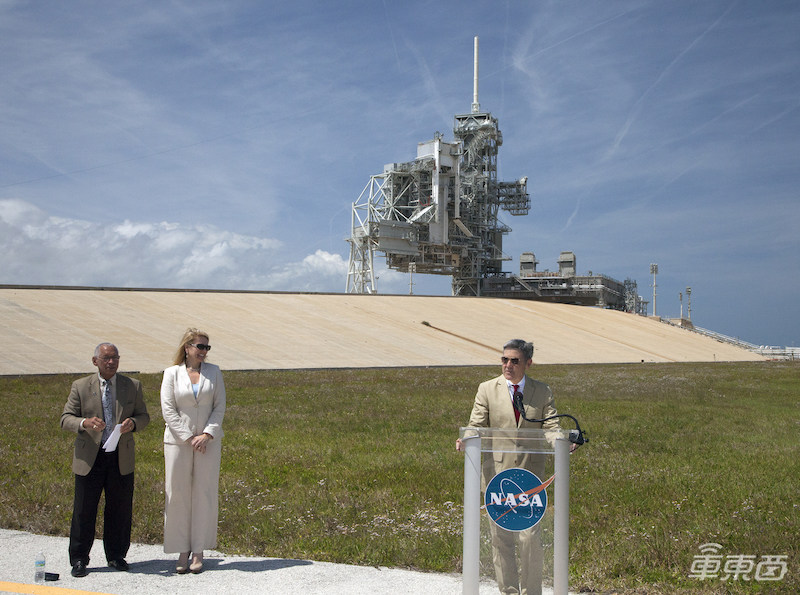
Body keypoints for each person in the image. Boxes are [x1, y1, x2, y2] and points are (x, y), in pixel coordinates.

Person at [456, 339, 565, 595]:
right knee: (501, 539)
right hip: (496, 478)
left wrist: (561, 442)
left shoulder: (542, 391)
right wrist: (468, 437)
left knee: (529, 538)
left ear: (528, 363)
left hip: (530, 480)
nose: (507, 365)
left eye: (514, 361)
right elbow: (477, 423)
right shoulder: (486, 389)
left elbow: (551, 427)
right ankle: (509, 591)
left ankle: (531, 592)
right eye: (504, 359)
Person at [61, 342, 150, 578]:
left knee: (120, 509)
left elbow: (144, 416)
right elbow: (65, 418)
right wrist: (85, 423)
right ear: (95, 361)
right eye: (106, 358)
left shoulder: (132, 386)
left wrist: (134, 423)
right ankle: (79, 559)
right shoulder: (80, 386)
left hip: (120, 457)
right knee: (84, 510)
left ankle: (116, 555)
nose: (111, 362)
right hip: (91, 456)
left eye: (115, 358)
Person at [161, 328, 226, 574]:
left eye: (207, 348)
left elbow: (219, 407)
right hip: (178, 443)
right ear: (187, 347)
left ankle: (199, 550)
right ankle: (181, 550)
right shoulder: (171, 374)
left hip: (208, 444)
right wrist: (189, 437)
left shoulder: (214, 373)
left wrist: (207, 434)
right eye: (200, 346)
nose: (204, 352)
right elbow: (168, 409)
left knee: (204, 494)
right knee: (176, 495)